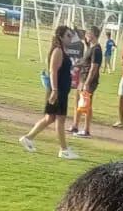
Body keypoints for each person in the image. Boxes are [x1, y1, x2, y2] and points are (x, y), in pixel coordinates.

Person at [17, 25, 79, 160]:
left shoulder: (62, 50)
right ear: (61, 36)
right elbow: (53, 71)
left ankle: (28, 138)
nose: (70, 38)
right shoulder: (58, 50)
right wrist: (55, 90)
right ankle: (64, 150)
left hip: (60, 90)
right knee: (60, 119)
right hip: (58, 91)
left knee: (50, 118)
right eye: (68, 35)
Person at [70, 26, 101, 138]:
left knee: (87, 105)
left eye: (88, 33)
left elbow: (94, 68)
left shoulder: (96, 50)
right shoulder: (90, 47)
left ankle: (86, 130)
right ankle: (75, 126)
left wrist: (87, 83)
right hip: (82, 78)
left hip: (89, 81)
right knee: (77, 102)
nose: (86, 35)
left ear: (93, 34)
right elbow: (84, 61)